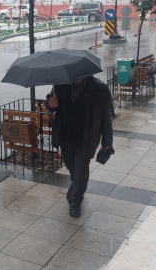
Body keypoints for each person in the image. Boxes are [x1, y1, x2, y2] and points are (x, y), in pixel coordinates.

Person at [46, 75, 113, 217]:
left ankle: (74, 201)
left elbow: (106, 117)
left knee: (81, 168)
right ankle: (77, 183)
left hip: (86, 138)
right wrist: (50, 103)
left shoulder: (100, 88)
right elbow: (50, 103)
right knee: (72, 168)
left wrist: (107, 143)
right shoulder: (60, 84)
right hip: (65, 137)